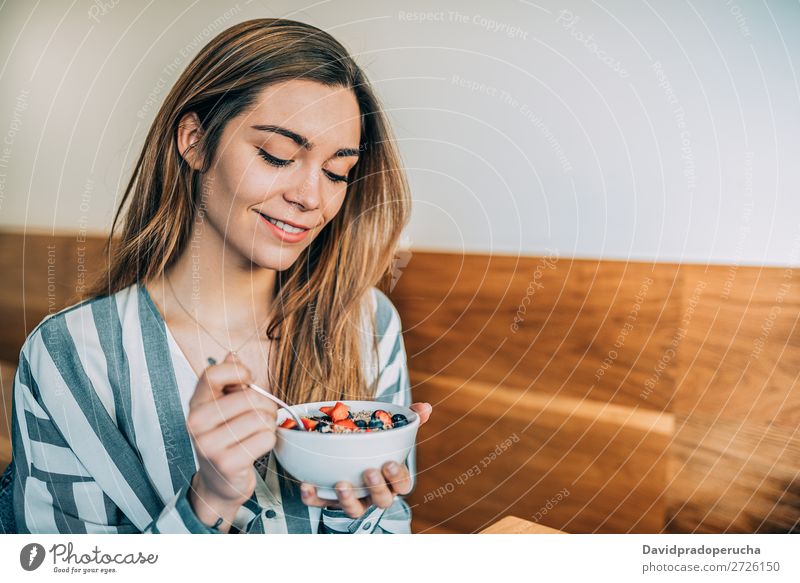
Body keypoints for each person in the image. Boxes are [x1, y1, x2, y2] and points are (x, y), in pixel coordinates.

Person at [9, 17, 432, 534]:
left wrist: (366, 518)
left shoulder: (367, 322)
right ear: (195, 141)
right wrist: (210, 498)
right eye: (278, 156)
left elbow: (393, 533)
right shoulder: (73, 356)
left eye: (336, 171)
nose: (312, 198)